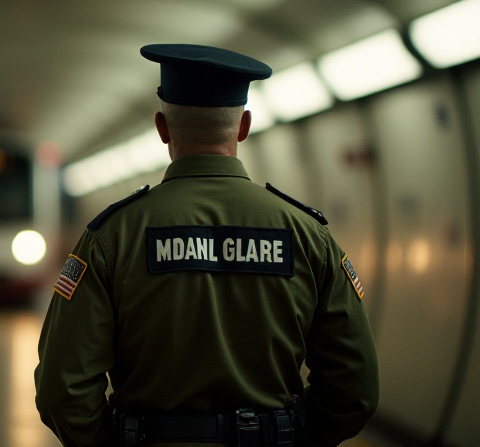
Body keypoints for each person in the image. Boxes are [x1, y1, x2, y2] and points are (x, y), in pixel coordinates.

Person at [34, 44, 379, 447]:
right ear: (244, 126)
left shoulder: (113, 235)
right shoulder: (307, 234)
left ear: (162, 128)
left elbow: (63, 390)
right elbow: (355, 391)